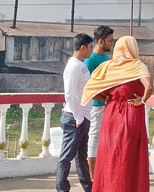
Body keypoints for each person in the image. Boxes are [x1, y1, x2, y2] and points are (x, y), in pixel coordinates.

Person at [81, 36, 153, 192]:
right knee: (129, 155)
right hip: (131, 113)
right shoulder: (137, 66)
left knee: (110, 153)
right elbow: (149, 87)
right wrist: (142, 100)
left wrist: (105, 98)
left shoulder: (107, 66)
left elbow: (90, 89)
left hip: (111, 114)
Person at [57, 33, 94, 192]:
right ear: (83, 47)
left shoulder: (81, 64)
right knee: (66, 158)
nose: (92, 51)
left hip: (83, 117)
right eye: (90, 47)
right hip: (74, 118)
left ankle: (89, 188)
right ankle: (62, 189)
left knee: (81, 158)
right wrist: (78, 117)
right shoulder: (73, 66)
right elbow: (69, 95)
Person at [83, 25, 114, 179]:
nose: (112, 44)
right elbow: (88, 88)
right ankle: (93, 176)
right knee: (94, 140)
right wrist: (102, 98)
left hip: (107, 106)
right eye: (109, 41)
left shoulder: (105, 57)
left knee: (105, 140)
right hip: (96, 107)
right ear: (101, 41)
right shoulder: (91, 60)